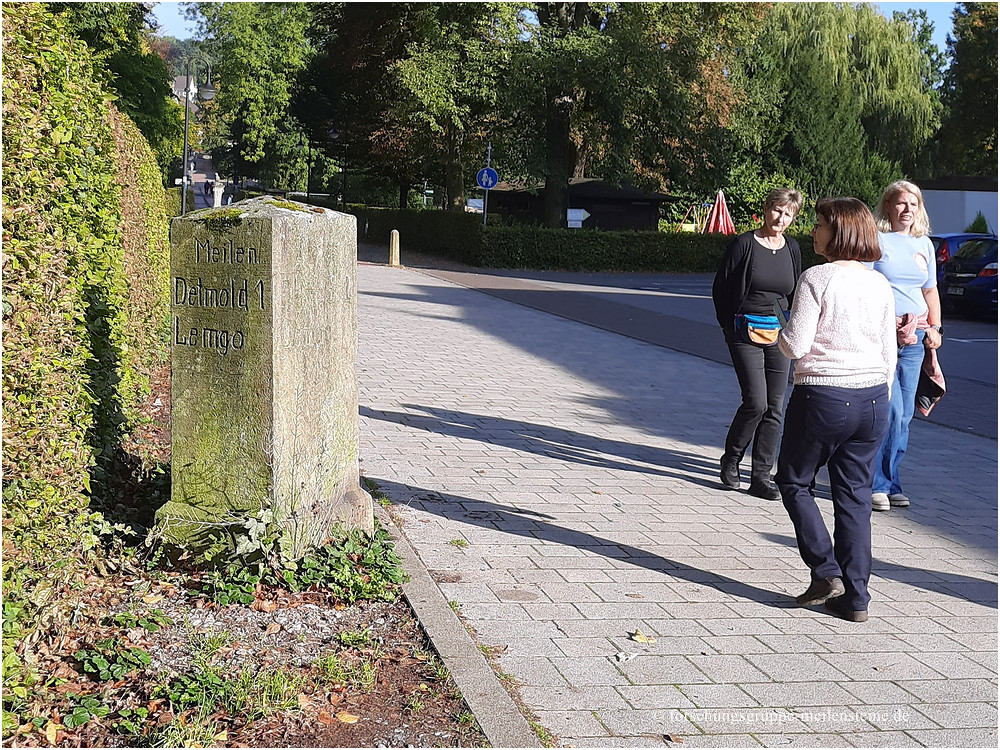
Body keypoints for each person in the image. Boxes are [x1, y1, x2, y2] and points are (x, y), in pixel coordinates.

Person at [775, 197, 896, 623]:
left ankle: (825, 570)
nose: (812, 231)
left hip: (823, 396)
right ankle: (856, 598)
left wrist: (775, 333)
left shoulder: (817, 278)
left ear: (839, 230)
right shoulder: (879, 283)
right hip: (873, 398)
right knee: (854, 497)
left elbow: (797, 345)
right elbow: (889, 351)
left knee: (793, 480)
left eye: (820, 224)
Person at [712, 188, 804, 500]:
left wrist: (793, 328)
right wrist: (728, 327)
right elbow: (721, 288)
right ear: (766, 210)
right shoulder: (743, 244)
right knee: (756, 402)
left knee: (775, 407)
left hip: (778, 333)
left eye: (788, 214)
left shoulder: (792, 248)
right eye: (777, 210)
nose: (781, 218)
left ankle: (762, 477)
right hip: (744, 331)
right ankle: (732, 458)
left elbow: (792, 295)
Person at [870, 180, 943, 512]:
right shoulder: (877, 241)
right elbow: (866, 287)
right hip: (884, 335)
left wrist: (937, 328)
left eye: (913, 204)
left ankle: (891, 481)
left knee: (906, 415)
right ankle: (877, 485)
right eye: (901, 203)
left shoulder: (924, 244)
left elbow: (930, 291)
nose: (907, 210)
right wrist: (888, 325)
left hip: (916, 340)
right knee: (891, 411)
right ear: (888, 206)